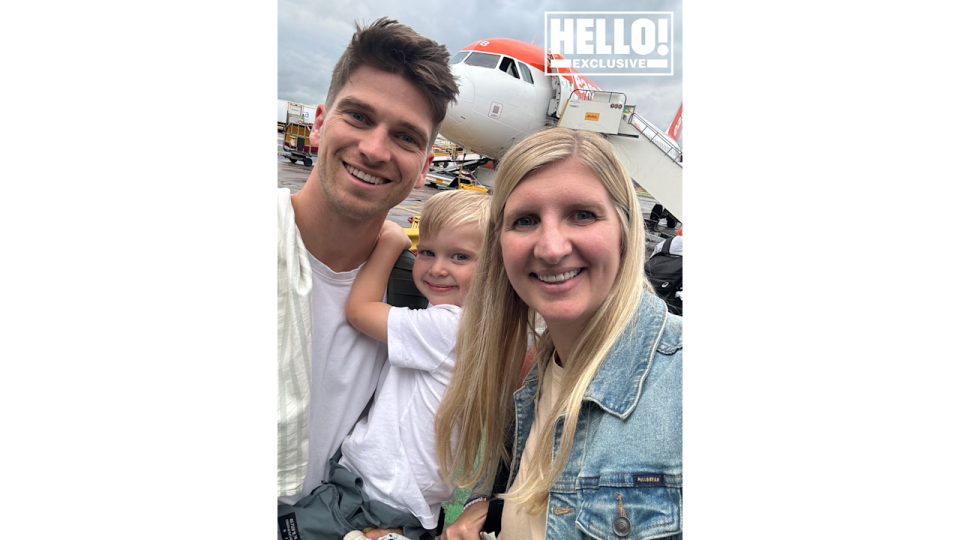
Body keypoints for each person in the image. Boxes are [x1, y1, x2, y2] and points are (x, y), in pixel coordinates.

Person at [435, 128, 683, 540]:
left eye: (582, 214)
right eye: (525, 220)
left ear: (625, 229)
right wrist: (486, 507)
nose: (550, 248)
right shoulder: (537, 375)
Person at [276, 16, 458, 539]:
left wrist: (483, 505)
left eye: (404, 137)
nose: (376, 149)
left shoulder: (422, 292)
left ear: (425, 166)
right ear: (318, 122)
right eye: (358, 116)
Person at [334, 190, 489, 539]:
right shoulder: (479, 327)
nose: (437, 268)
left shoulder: (449, 327)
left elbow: (359, 311)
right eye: (426, 252)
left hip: (376, 494)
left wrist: (390, 242)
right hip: (410, 499)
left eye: (460, 256)